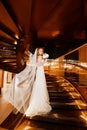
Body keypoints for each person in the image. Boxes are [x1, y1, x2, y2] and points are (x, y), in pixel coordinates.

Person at [4, 47, 52, 117]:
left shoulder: (40, 56)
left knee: (40, 86)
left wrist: (44, 59)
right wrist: (44, 61)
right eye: (40, 51)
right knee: (40, 85)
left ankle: (39, 101)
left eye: (42, 51)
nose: (41, 52)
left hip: (40, 73)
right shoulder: (39, 57)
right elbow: (39, 65)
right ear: (38, 52)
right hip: (40, 73)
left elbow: (37, 64)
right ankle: (38, 103)